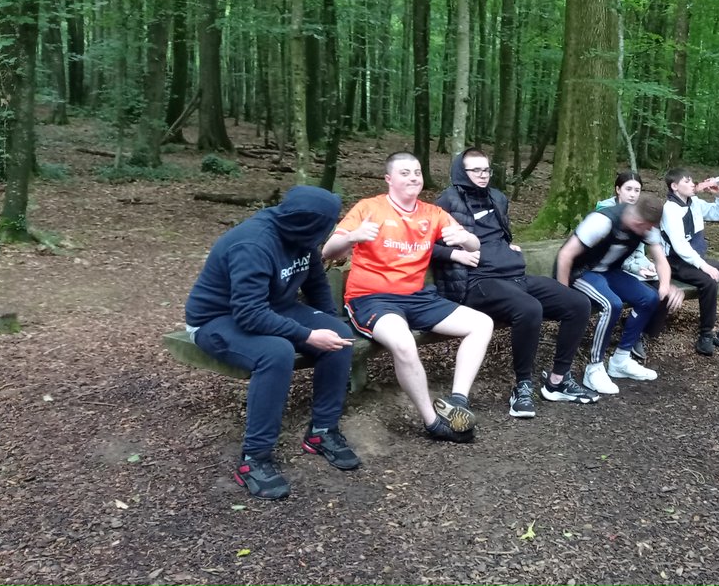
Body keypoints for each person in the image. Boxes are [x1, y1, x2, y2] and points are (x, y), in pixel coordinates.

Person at [185, 185, 360, 501]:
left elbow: (317, 285)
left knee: (339, 335)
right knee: (275, 352)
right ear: (309, 223)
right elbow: (249, 314)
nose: (332, 229)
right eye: (329, 223)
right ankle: (254, 459)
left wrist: (327, 324)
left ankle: (322, 431)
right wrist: (306, 336)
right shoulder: (253, 244)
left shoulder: (302, 238)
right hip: (217, 319)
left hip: (273, 307)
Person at [322, 152, 494, 443]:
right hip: (372, 298)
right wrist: (353, 237)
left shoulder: (432, 213)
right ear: (389, 179)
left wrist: (464, 239)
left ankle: (458, 402)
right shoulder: (369, 208)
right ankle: (433, 422)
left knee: (482, 324)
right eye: (405, 173)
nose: (413, 177)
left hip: (417, 296)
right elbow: (328, 251)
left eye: (417, 172)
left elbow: (474, 242)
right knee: (403, 342)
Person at [433, 148, 599, 419]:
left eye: (486, 169)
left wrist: (508, 247)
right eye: (476, 170)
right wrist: (454, 253)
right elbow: (425, 247)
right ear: (462, 171)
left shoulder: (497, 197)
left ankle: (557, 380)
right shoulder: (446, 202)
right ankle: (522, 386)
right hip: (478, 283)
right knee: (529, 308)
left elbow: (500, 234)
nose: (483, 175)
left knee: (578, 303)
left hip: (516, 277)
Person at [556, 195, 683, 395]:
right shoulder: (603, 221)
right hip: (581, 272)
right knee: (611, 304)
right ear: (639, 223)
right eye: (648, 227)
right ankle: (594, 368)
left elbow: (660, 260)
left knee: (649, 298)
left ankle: (620, 360)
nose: (650, 232)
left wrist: (665, 286)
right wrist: (563, 296)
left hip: (610, 271)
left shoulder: (645, 227)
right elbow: (565, 255)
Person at [660, 168, 719, 356]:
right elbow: (679, 245)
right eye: (687, 181)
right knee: (709, 282)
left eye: (692, 180)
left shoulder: (694, 203)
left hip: (695, 259)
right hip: (675, 262)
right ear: (674, 186)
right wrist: (704, 266)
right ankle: (705, 334)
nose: (693, 184)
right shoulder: (670, 209)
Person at [595, 171, 669, 361]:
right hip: (605, 269)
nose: (633, 194)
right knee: (632, 296)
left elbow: (639, 250)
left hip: (629, 266)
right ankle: (616, 347)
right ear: (618, 190)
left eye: (637, 190)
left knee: (657, 290)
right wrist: (637, 268)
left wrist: (648, 267)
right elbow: (607, 252)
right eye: (628, 189)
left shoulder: (641, 214)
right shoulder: (605, 212)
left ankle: (636, 334)